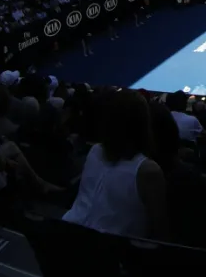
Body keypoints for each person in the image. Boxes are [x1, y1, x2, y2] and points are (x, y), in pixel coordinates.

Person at [61, 89, 170, 240]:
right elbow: (160, 233)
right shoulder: (147, 171)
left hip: (69, 234)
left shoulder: (95, 151)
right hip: (107, 252)